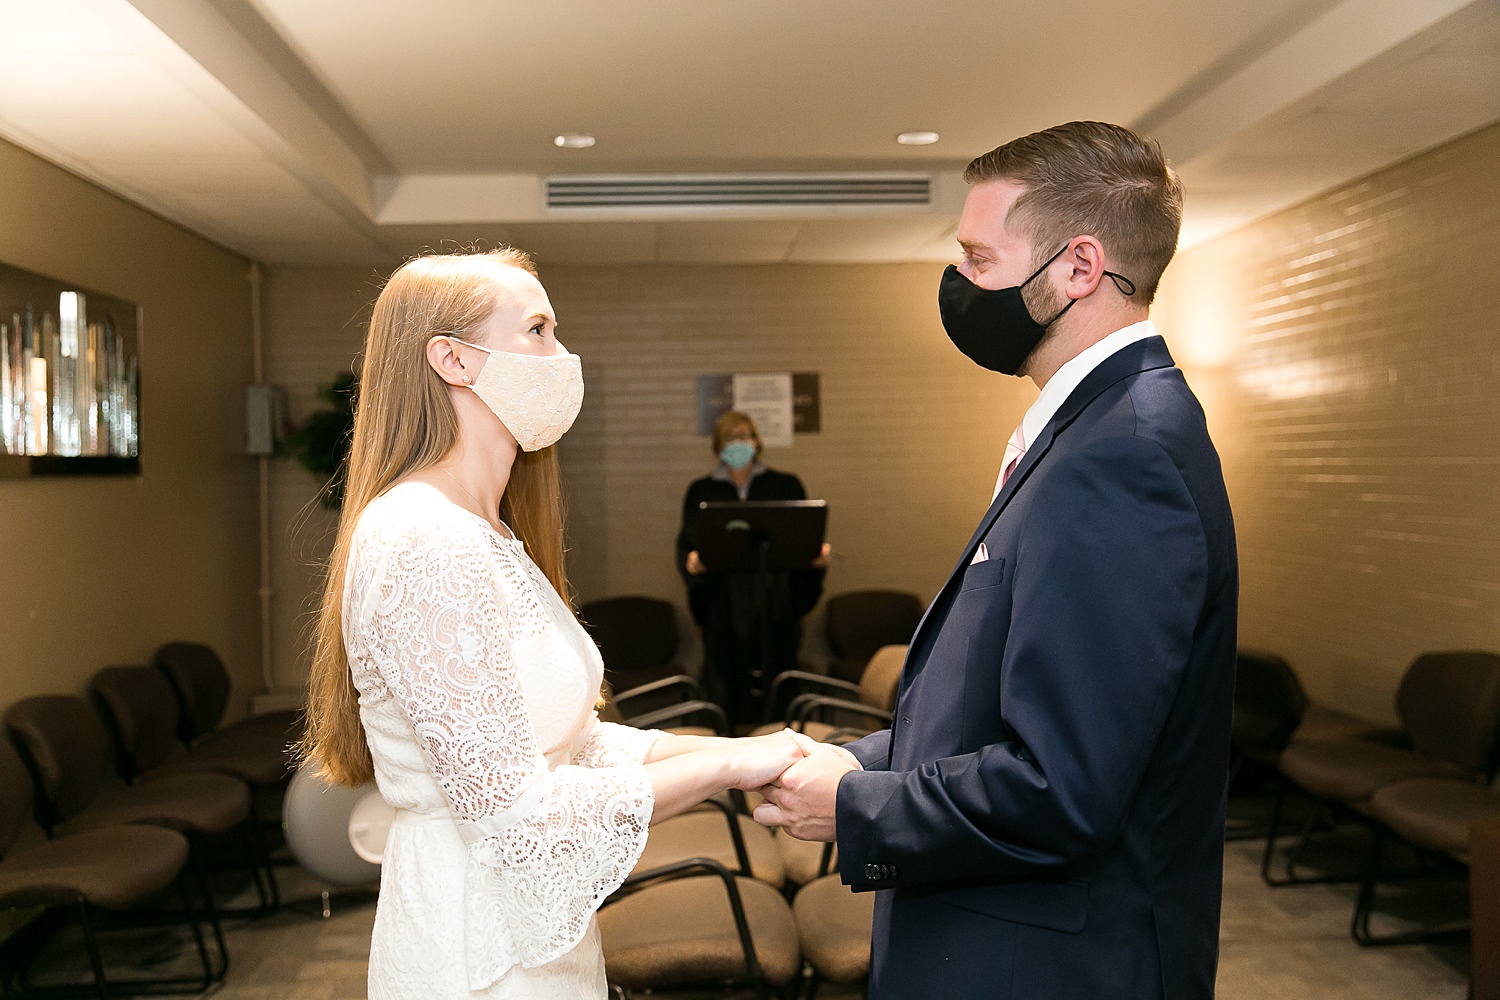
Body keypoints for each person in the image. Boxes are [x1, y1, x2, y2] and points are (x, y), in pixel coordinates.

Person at [754, 121, 1239, 1000]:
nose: (960, 285)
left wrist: (854, 808)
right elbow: (999, 711)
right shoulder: (1088, 430)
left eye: (979, 259)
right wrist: (858, 762)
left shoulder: (1122, 454)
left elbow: (1063, 784)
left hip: (1053, 966)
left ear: (1078, 268)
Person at [298, 248, 807, 1000]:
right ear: (452, 360)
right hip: (478, 952)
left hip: (534, 935)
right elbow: (518, 816)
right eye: (537, 330)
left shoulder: (490, 532)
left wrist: (732, 749)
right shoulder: (421, 538)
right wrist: (728, 769)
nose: (562, 356)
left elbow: (572, 742)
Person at [676, 410, 829, 730]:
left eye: (744, 436)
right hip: (725, 606)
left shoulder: (785, 485)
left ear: (757, 442)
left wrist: (813, 560)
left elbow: (802, 539)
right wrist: (693, 564)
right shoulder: (701, 491)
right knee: (726, 682)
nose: (738, 444)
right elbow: (689, 546)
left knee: (778, 680)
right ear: (718, 446)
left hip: (774, 604)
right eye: (730, 438)